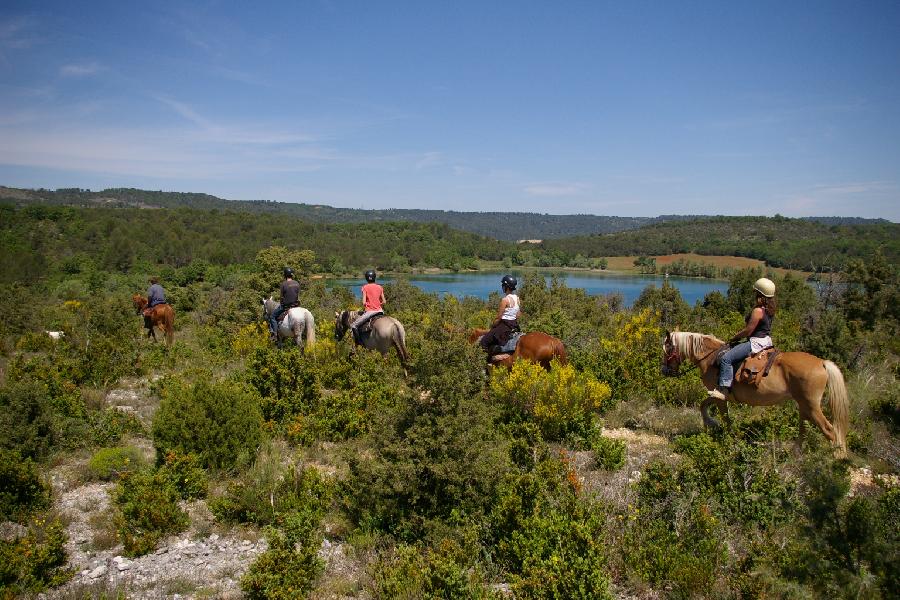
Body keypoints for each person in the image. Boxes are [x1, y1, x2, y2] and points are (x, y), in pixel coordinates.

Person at [708, 277, 777, 400]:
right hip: (766, 341)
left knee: (726, 358)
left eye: (756, 292)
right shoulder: (770, 310)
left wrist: (735, 337)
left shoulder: (758, 311)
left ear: (759, 294)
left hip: (756, 343)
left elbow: (748, 330)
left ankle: (723, 390)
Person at [480, 275, 521, 356]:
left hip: (504, 326)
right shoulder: (517, 298)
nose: (502, 287)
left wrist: (493, 325)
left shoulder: (505, 300)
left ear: (506, 287)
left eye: (503, 285)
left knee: (484, 341)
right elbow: (518, 314)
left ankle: (490, 359)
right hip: (514, 325)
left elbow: (499, 317)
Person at [350, 270, 386, 343]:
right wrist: (378, 304)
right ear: (374, 278)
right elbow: (384, 301)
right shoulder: (380, 287)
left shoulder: (365, 287)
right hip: (380, 311)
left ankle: (359, 343)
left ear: (366, 278)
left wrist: (368, 304)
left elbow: (363, 302)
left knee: (354, 325)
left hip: (370, 312)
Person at [268, 267, 302, 339]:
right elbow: (298, 296)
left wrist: (281, 303)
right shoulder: (297, 283)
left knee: (272, 317)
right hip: (296, 306)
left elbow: (281, 297)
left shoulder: (283, 284)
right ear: (291, 275)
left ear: (285, 275)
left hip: (286, 306)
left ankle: (275, 334)